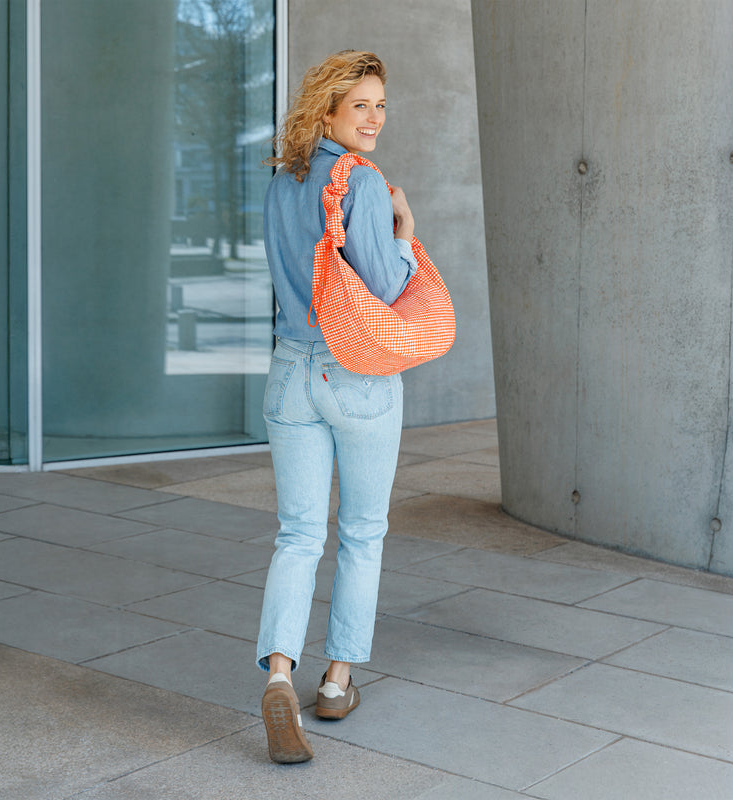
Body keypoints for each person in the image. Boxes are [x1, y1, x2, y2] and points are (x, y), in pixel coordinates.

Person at [256, 50, 417, 764]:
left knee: (297, 534)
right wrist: (404, 232)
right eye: (361, 106)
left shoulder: (284, 178)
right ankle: (337, 680)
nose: (375, 118)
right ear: (328, 112)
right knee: (362, 531)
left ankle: (281, 673)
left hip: (290, 371)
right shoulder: (364, 181)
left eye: (381, 105)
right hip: (356, 377)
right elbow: (382, 285)